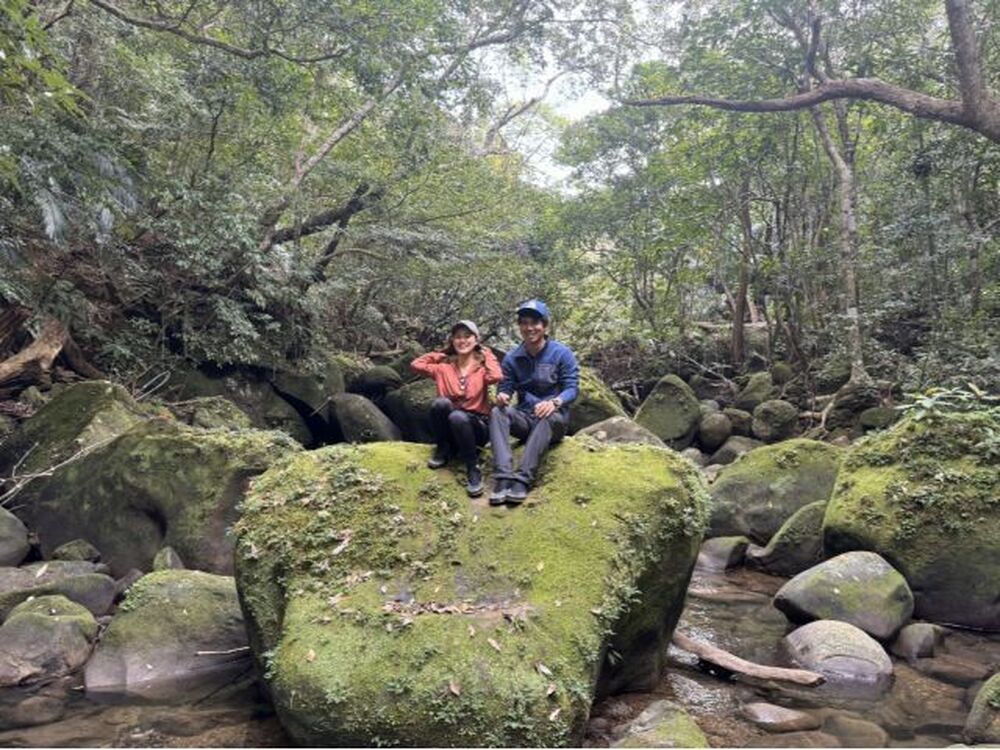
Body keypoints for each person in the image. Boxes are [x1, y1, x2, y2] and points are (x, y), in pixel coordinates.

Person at [489, 299, 579, 506]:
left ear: (544, 326)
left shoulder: (561, 353)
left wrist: (555, 402)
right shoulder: (512, 358)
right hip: (526, 420)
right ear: (519, 326)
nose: (530, 328)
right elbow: (506, 387)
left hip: (553, 422)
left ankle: (523, 478)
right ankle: (503, 476)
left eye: (535, 322)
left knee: (547, 415)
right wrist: (502, 396)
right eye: (524, 323)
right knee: (497, 412)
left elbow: (572, 389)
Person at [410, 320, 502, 497]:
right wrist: (442, 354)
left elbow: (496, 375)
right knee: (440, 404)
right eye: (458, 337)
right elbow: (416, 364)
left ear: (476, 340)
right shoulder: (443, 368)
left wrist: (486, 352)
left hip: (476, 429)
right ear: (452, 341)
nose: (462, 341)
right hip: (452, 426)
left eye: (467, 336)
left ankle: (472, 467)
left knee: (458, 417)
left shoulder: (482, 369)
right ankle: (444, 449)